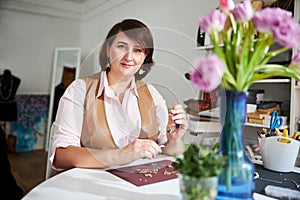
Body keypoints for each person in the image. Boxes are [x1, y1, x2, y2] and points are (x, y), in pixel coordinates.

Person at [49, 19, 188, 171]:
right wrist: (121, 155)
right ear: (108, 49)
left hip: (138, 184)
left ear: (144, 57)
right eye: (122, 46)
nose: (129, 57)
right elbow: (61, 156)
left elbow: (169, 151)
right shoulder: (79, 90)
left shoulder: (152, 94)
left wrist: (175, 139)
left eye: (138, 50)